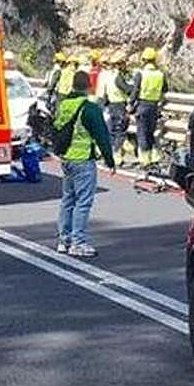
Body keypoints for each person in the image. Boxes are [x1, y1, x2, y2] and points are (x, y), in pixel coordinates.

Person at [55, 70, 115, 258]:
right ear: (89, 86)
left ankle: (64, 240)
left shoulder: (64, 105)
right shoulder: (89, 108)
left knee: (68, 200)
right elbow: (102, 136)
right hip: (83, 160)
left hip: (66, 159)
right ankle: (78, 242)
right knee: (83, 202)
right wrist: (109, 160)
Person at [129, 47, 168, 168]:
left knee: (142, 133)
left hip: (143, 105)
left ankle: (145, 160)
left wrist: (130, 104)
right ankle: (155, 157)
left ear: (144, 60)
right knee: (151, 132)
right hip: (154, 106)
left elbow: (135, 91)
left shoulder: (140, 74)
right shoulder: (160, 74)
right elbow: (165, 89)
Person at [105, 51, 132, 166]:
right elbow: (127, 89)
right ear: (120, 64)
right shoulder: (118, 77)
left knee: (112, 132)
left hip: (111, 105)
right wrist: (134, 87)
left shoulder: (109, 76)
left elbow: (106, 93)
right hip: (119, 106)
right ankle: (117, 157)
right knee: (120, 132)